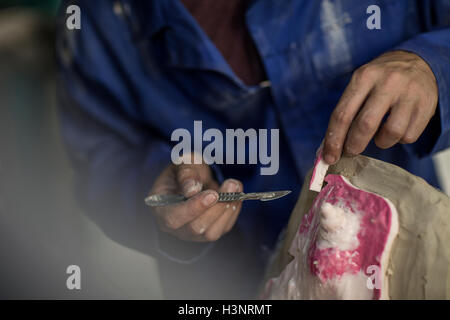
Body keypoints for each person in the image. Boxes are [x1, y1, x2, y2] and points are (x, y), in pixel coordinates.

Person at [56, 0, 450, 298]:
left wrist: (433, 67)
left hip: (407, 274)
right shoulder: (99, 18)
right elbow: (100, 158)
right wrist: (157, 190)